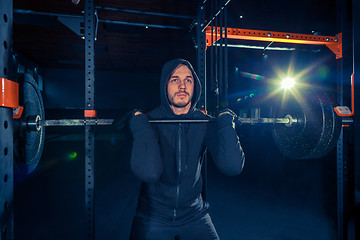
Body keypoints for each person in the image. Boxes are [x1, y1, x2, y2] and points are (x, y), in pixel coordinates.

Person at [126, 59, 245, 239]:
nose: (182, 86)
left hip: (194, 215)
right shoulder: (149, 121)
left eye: (188, 80)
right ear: (164, 85)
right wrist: (140, 125)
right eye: (175, 80)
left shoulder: (203, 121)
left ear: (194, 86)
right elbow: (149, 172)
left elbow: (233, 166)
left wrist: (226, 122)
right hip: (153, 216)